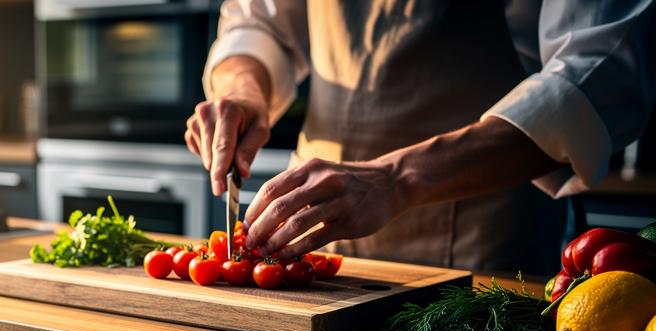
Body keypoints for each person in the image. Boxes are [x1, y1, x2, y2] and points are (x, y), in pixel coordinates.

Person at [185, 1, 655, 273]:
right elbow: (258, 21)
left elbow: (602, 71)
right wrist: (242, 92)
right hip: (315, 221)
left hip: (485, 235)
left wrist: (395, 177)